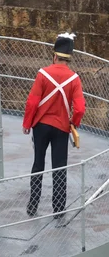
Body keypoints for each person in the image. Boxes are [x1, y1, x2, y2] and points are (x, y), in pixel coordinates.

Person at [22, 32, 86, 219]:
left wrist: (27, 123)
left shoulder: (42, 74)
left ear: (55, 55)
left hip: (40, 127)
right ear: (69, 57)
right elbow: (80, 108)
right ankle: (58, 209)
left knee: (38, 164)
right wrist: (74, 122)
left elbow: (32, 103)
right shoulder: (74, 79)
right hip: (61, 128)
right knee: (59, 167)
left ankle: (33, 205)